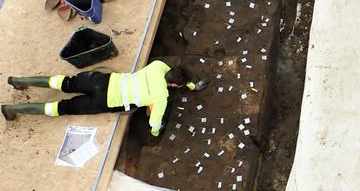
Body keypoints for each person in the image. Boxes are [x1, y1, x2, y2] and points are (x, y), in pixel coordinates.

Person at [2, 60, 209, 136]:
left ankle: (20, 80)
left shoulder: (158, 65)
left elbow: (175, 78)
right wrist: (156, 131)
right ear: (173, 85)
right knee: (64, 107)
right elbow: (154, 122)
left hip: (101, 80)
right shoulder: (161, 96)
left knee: (64, 83)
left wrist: (191, 85)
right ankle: (13, 109)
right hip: (105, 102)